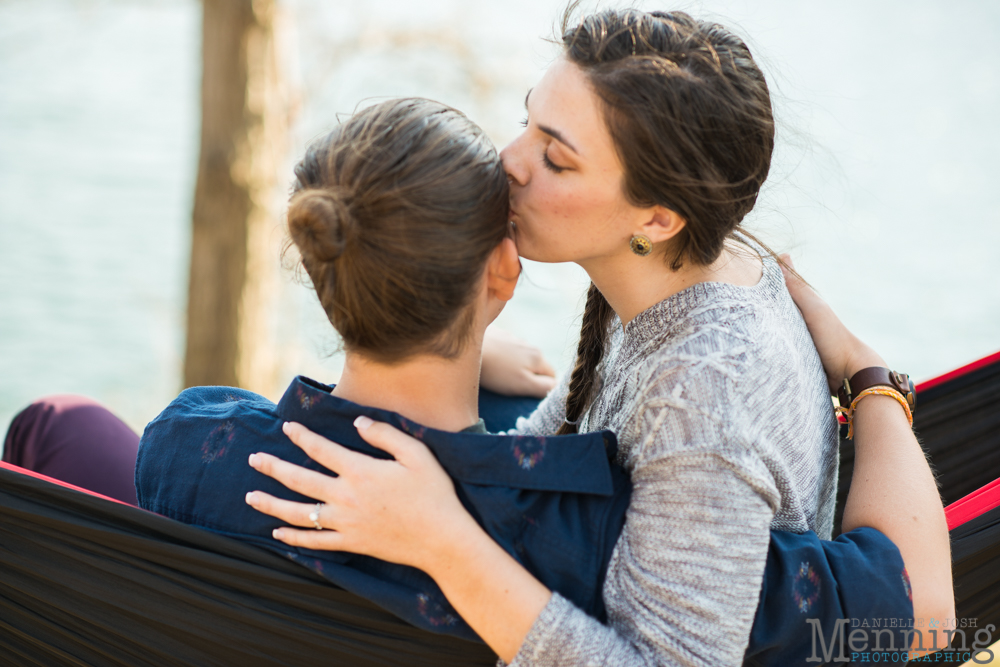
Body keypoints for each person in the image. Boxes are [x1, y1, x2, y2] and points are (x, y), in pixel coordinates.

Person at [243, 9, 953, 666]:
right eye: (528, 123)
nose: (510, 162)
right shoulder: (665, 275)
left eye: (557, 159)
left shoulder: (703, 394)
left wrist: (444, 542)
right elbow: (565, 453)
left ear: (657, 218)